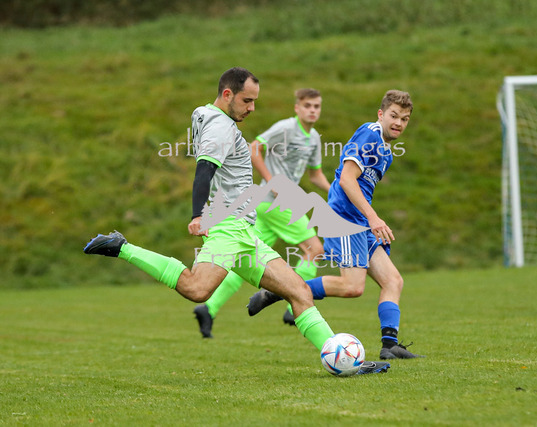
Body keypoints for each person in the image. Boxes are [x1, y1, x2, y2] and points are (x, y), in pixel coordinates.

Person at [83, 67, 389, 374]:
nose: (252, 108)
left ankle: (347, 362)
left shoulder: (213, 119)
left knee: (299, 291)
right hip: (228, 228)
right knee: (197, 289)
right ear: (227, 94)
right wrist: (197, 214)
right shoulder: (220, 127)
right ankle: (122, 248)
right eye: (247, 100)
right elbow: (204, 170)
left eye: (254, 101)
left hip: (244, 231)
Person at [247, 90, 423, 360]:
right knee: (352, 287)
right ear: (381, 114)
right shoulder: (370, 135)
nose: (399, 122)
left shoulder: (386, 151)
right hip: (345, 219)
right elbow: (346, 180)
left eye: (405, 119)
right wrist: (373, 218)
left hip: (360, 221)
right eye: (394, 116)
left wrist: (369, 220)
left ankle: (390, 346)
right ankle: (279, 291)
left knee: (393, 281)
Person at [192, 88, 330, 338]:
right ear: (297, 108)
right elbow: (254, 148)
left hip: (265, 208)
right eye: (307, 105)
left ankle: (209, 308)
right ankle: (294, 305)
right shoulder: (286, 128)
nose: (312, 110)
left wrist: (335, 194)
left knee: (244, 258)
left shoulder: (314, 139)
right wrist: (271, 181)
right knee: (315, 249)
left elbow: (315, 174)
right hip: (277, 203)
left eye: (317, 106)